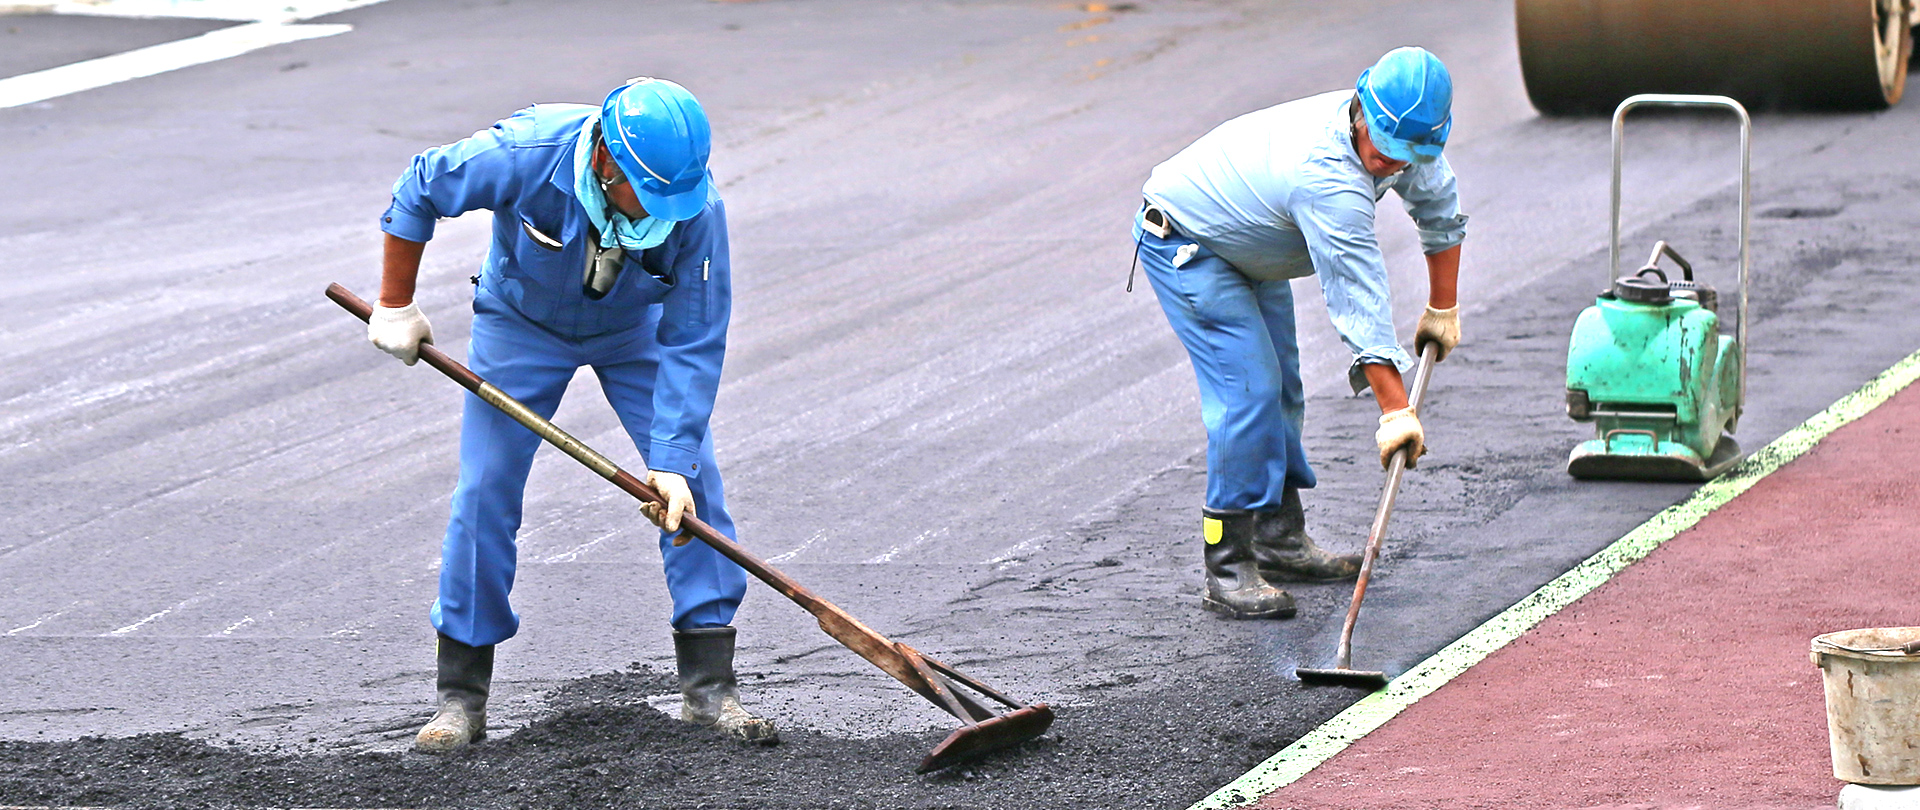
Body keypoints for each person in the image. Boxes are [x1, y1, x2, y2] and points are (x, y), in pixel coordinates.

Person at [367, 77, 776, 750]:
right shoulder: (525, 152)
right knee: (484, 494)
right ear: (606, 162)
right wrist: (395, 302)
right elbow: (420, 187)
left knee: (693, 494)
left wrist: (671, 461)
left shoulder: (695, 207)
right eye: (648, 195)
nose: (664, 211)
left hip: (634, 330)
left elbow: (695, 336)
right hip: (520, 324)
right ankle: (461, 699)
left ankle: (710, 691)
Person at [1133, 47, 1467, 619]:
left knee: (1283, 391)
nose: (1393, 166)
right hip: (1189, 244)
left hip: (1252, 247)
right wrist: (1394, 411)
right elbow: (1357, 298)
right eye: (1385, 153)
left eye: (1408, 158)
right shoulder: (1328, 177)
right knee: (1250, 393)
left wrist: (1443, 307)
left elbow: (1441, 215)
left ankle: (1279, 540)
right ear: (1362, 113)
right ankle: (1227, 561)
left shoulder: (1411, 140)